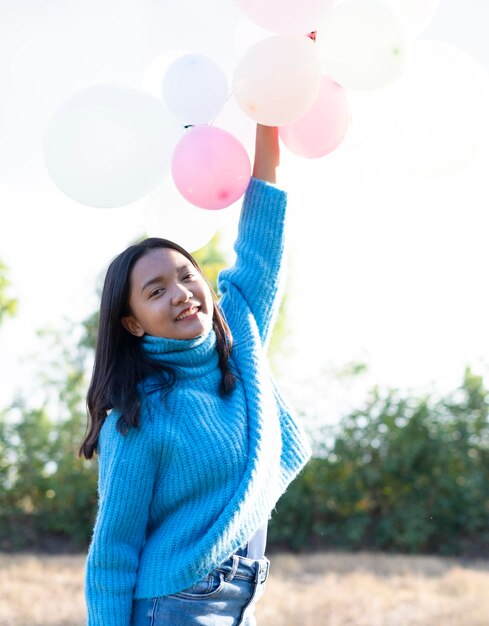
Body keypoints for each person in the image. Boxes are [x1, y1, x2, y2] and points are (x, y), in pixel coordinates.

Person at [80, 124, 311, 626]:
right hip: (178, 606)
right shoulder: (138, 417)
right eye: (156, 290)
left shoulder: (241, 351)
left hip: (242, 598)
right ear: (133, 323)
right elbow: (113, 553)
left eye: (187, 276)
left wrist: (268, 115)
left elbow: (262, 245)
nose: (181, 292)